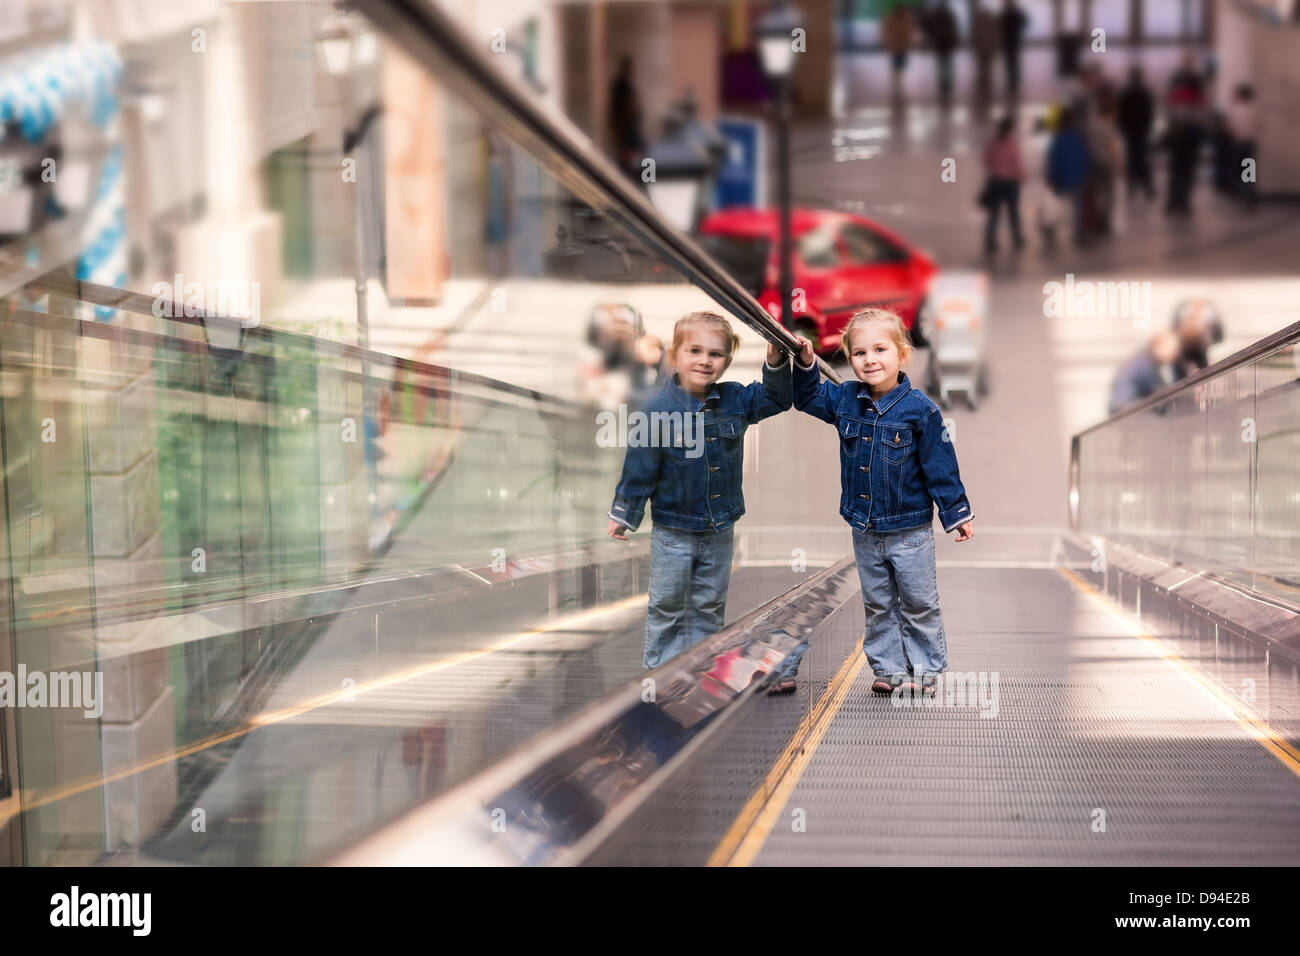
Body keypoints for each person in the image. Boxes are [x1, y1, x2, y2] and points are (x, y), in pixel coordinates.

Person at [788, 310, 974, 698]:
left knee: (919, 601)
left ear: (901, 354)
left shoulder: (920, 410)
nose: (869, 360)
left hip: (910, 531)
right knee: (878, 603)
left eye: (879, 349)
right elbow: (806, 399)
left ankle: (923, 670)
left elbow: (940, 467)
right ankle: (888, 669)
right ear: (849, 357)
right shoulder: (844, 399)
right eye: (859, 353)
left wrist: (956, 514)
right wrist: (806, 364)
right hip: (866, 529)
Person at [608, 312, 793, 670]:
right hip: (672, 531)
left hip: (719, 529)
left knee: (708, 604)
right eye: (694, 351)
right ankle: (660, 675)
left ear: (728, 358)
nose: (705, 361)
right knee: (667, 604)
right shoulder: (657, 410)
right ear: (675, 355)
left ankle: (699, 672)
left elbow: (777, 398)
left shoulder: (735, 399)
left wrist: (775, 360)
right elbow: (640, 469)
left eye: (715, 354)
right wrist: (624, 514)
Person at [1046, 104, 1091, 245]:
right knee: (1077, 208)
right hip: (1076, 178)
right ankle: (1079, 233)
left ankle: (1051, 230)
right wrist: (1085, 174)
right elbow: (1085, 157)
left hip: (1061, 178)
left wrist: (1051, 177)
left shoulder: (1058, 139)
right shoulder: (1078, 138)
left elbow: (1053, 160)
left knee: (1057, 206)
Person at [1108, 329, 1180, 414]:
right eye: (1171, 349)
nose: (1174, 354)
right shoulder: (1145, 363)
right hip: (1125, 407)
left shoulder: (1146, 359)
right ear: (1158, 345)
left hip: (1125, 406)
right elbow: (1158, 390)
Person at [981, 115, 1025, 254]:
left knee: (994, 213)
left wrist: (996, 168)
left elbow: (985, 160)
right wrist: (1021, 175)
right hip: (1011, 183)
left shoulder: (993, 144)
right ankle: (1017, 237)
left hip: (996, 182)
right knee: (1013, 212)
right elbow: (1017, 162)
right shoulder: (1012, 144)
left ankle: (990, 240)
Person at [1117, 66, 1156, 200]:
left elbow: (1120, 114)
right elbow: (1149, 114)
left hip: (1129, 131)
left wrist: (1122, 128)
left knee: (1132, 159)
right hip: (1141, 130)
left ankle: (1132, 189)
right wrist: (1147, 127)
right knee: (1142, 159)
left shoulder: (1125, 93)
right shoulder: (1145, 93)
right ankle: (1148, 188)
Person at [609, 57, 645, 178]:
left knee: (641, 153)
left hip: (630, 127)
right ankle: (643, 178)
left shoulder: (627, 85)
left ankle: (647, 179)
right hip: (626, 128)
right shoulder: (621, 86)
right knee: (630, 156)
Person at [921, 1, 960, 104]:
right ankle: (947, 84)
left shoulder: (936, 15)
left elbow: (928, 25)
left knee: (942, 64)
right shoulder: (949, 15)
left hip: (940, 42)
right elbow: (954, 29)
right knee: (947, 63)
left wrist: (933, 36)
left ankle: (943, 84)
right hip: (947, 42)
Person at [1226, 84, 1258, 209]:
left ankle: (1239, 194)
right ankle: (1249, 197)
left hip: (1238, 143)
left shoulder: (1236, 110)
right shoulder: (1253, 109)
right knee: (1249, 172)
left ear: (1240, 95)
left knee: (1236, 170)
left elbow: (1230, 128)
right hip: (1250, 143)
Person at [881, 4, 916, 99]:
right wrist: (888, 42)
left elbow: (909, 32)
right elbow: (886, 32)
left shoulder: (905, 19)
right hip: (897, 46)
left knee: (900, 67)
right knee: (896, 66)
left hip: (901, 46)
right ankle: (897, 85)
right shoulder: (893, 19)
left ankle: (898, 84)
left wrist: (909, 42)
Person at [971, 1, 1000, 103]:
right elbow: (996, 32)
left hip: (982, 46)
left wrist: (976, 43)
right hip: (989, 46)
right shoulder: (992, 19)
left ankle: (982, 80)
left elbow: (976, 33)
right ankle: (985, 80)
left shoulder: (978, 20)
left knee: (982, 64)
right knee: (987, 64)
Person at [999, 0, 1028, 98]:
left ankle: (1012, 80)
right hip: (1013, 40)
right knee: (1013, 60)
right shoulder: (1014, 13)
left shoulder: (1006, 14)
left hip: (1009, 40)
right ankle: (1014, 80)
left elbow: (1000, 26)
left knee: (1010, 60)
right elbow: (1024, 23)